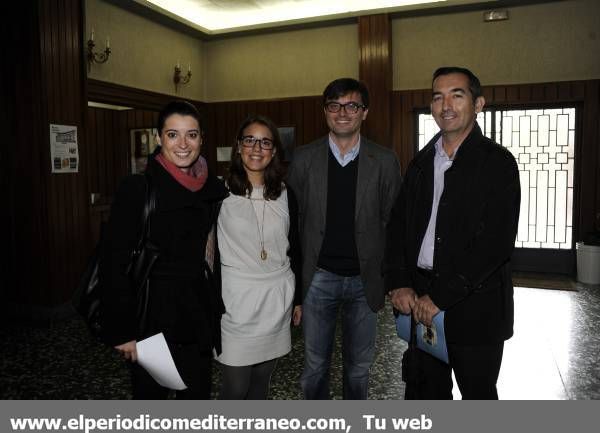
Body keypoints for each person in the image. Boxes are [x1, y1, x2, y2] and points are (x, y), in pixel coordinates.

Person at [384, 66, 521, 399]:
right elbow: (397, 228)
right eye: (437, 96)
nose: (445, 104)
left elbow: (495, 245)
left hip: (476, 307)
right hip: (420, 300)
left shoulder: (497, 163)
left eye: (456, 95)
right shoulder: (420, 164)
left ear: (478, 104)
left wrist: (441, 297)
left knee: (477, 394)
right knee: (425, 393)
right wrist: (399, 281)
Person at [100, 100, 228, 399]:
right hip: (150, 321)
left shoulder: (210, 189)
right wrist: (123, 332)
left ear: (201, 139)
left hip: (195, 319)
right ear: (159, 138)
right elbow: (113, 261)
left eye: (191, 135)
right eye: (173, 134)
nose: (183, 144)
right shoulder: (138, 188)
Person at [287, 78, 402, 399]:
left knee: (359, 369)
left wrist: (394, 277)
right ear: (325, 111)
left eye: (352, 105)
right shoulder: (304, 159)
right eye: (334, 105)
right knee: (313, 368)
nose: (342, 113)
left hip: (365, 281)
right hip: (317, 278)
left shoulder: (384, 161)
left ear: (364, 113)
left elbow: (394, 223)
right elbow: (292, 223)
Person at [216, 115, 302, 399]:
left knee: (260, 386)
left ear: (274, 150)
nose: (257, 148)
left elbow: (295, 248)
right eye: (249, 140)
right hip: (235, 303)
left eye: (265, 142)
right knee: (235, 390)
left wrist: (298, 298)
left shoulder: (286, 194)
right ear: (238, 146)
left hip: (275, 299)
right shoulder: (218, 193)